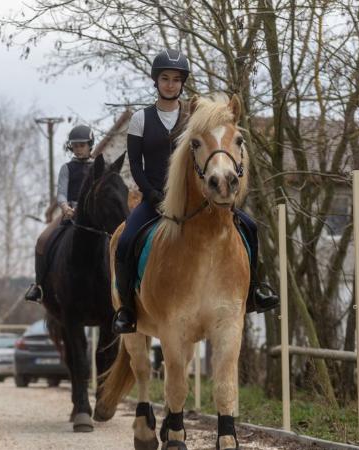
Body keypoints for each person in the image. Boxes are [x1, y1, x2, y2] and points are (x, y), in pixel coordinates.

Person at [111, 49, 279, 335]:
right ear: (156, 81)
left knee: (250, 228)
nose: (170, 84)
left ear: (182, 83)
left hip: (197, 200)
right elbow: (136, 165)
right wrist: (152, 195)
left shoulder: (195, 119)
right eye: (165, 78)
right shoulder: (140, 119)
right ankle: (126, 309)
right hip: (155, 200)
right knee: (126, 240)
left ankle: (254, 292)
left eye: (176, 79)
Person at [24, 125, 95, 303]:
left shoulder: (97, 167)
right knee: (42, 240)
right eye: (75, 146)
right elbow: (62, 192)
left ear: (89, 145)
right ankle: (39, 286)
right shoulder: (67, 168)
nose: (78, 149)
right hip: (69, 212)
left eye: (82, 145)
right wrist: (64, 207)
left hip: (92, 214)